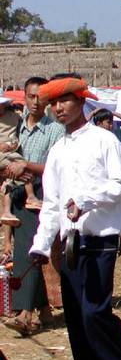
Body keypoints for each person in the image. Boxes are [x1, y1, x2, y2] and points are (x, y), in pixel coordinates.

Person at [29, 77, 121, 360]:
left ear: (81, 101)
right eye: (53, 103)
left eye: (64, 101)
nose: (58, 108)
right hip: (70, 243)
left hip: (101, 236)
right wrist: (40, 245)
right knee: (77, 315)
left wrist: (85, 200)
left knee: (95, 310)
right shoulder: (57, 151)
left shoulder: (103, 140)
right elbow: (52, 203)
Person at [2, 77, 64, 336]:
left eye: (40, 97)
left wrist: (26, 167)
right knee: (27, 248)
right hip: (16, 192)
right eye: (31, 96)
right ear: (24, 97)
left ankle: (24, 312)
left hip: (42, 192)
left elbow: (54, 167)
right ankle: (43, 309)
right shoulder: (16, 127)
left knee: (29, 250)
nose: (36, 102)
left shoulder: (55, 131)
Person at [91, 108, 121, 255]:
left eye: (111, 122)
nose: (111, 125)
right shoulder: (91, 138)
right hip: (101, 179)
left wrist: (112, 112)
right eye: (108, 122)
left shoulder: (115, 135)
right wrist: (93, 113)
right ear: (98, 123)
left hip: (118, 178)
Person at [0, 90, 42, 226]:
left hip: (11, 152)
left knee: (14, 173)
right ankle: (30, 197)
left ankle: (7, 211)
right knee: (21, 167)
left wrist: (10, 144)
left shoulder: (14, 118)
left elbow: (18, 138)